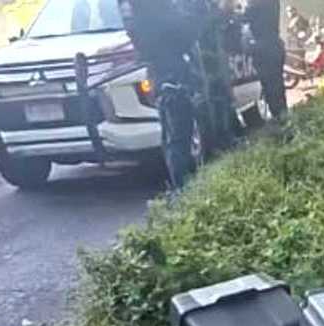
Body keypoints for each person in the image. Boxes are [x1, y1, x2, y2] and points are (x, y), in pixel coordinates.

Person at [120, 0, 233, 189]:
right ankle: (183, 190)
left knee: (172, 139)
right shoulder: (158, 11)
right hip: (174, 80)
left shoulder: (138, 14)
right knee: (179, 139)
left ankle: (180, 188)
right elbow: (186, 32)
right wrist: (201, 11)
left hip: (161, 79)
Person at [243, 0, 287, 120]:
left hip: (265, 50)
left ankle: (280, 118)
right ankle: (283, 116)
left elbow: (244, 17)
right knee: (277, 86)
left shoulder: (256, 5)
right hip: (275, 46)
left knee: (272, 88)